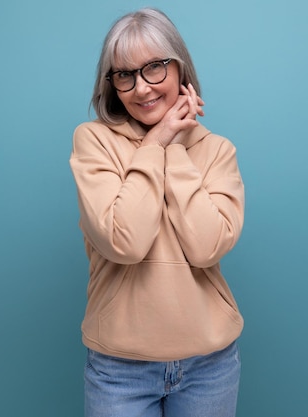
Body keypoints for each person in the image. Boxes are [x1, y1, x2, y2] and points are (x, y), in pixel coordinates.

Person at [69, 7, 245, 417]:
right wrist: (157, 142)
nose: (142, 88)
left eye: (154, 68)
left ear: (180, 69)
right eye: (125, 74)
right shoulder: (93, 141)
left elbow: (206, 248)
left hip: (210, 365)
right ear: (111, 84)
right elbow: (124, 241)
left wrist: (177, 147)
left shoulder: (218, 151)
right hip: (120, 369)